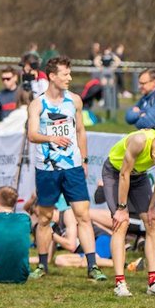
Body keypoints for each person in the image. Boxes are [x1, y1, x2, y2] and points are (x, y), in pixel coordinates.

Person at [27, 55, 106, 281]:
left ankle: (93, 266)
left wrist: (84, 160)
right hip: (47, 168)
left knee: (83, 215)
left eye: (70, 74)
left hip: (72, 167)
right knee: (45, 218)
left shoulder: (75, 101)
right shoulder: (38, 104)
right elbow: (32, 134)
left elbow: (80, 130)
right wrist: (51, 138)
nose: (69, 78)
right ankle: (42, 265)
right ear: (52, 76)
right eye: (65, 74)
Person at [102, 129, 155, 297]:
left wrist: (152, 207)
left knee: (152, 223)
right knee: (121, 223)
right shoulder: (139, 141)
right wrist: (121, 208)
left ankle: (154, 283)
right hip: (116, 173)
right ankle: (120, 284)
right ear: (153, 156)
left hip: (139, 176)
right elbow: (124, 175)